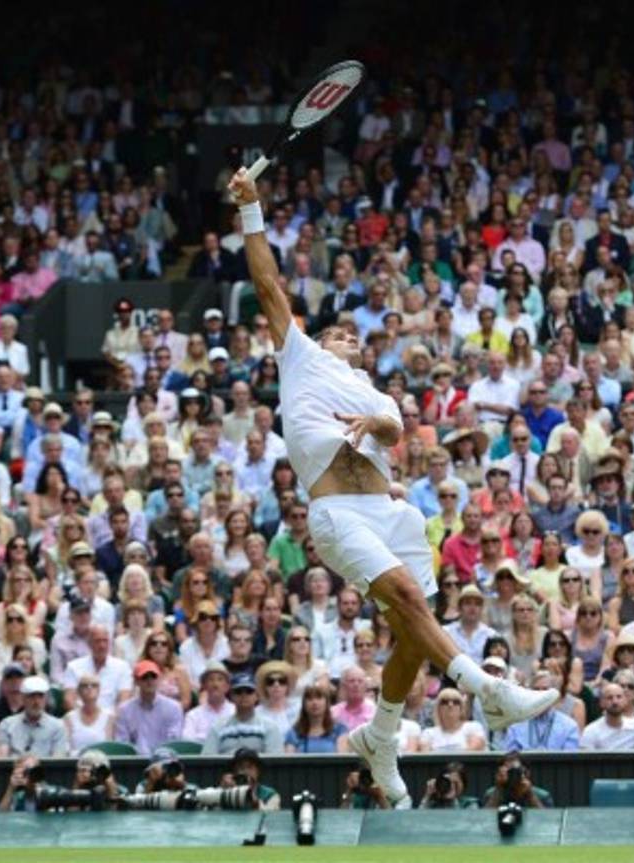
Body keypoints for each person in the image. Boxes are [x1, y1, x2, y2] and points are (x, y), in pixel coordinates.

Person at [231, 166, 554, 807]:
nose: (348, 337)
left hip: (389, 510)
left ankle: (380, 737)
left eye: (355, 336)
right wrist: (251, 209)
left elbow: (396, 433)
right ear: (320, 341)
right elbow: (267, 283)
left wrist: (378, 423)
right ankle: (487, 690)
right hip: (338, 512)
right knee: (408, 598)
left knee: (412, 633)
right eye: (338, 332)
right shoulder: (300, 357)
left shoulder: (377, 394)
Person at [202, 672, 284, 755]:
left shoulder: (269, 727)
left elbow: (274, 759)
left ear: (257, 696)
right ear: (231, 696)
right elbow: (208, 758)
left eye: (249, 691)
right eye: (238, 692)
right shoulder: (218, 727)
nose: (244, 695)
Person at [115, 659, 184, 755]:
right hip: (135, 761)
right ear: (136, 681)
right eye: (144, 677)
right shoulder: (124, 710)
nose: (149, 681)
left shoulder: (174, 708)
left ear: (159, 679)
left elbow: (174, 740)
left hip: (165, 759)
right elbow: (122, 744)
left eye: (153, 676)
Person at [0, 676, 68, 757]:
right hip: (14, 765)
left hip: (46, 765)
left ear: (46, 699)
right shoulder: (7, 724)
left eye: (40, 696)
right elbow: (2, 759)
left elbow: (58, 758)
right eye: (31, 696)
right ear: (22, 698)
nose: (36, 702)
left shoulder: (57, 726)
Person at [579, 681, 634, 750]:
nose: (615, 702)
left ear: (625, 700)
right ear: (601, 703)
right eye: (610, 698)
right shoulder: (591, 731)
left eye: (619, 697)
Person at [481, 751, 553, 809]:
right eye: (509, 772)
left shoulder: (542, 796)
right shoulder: (490, 794)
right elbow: (485, 819)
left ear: (527, 773)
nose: (513, 775)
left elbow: (547, 820)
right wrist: (499, 788)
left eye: (517, 772)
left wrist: (530, 794)